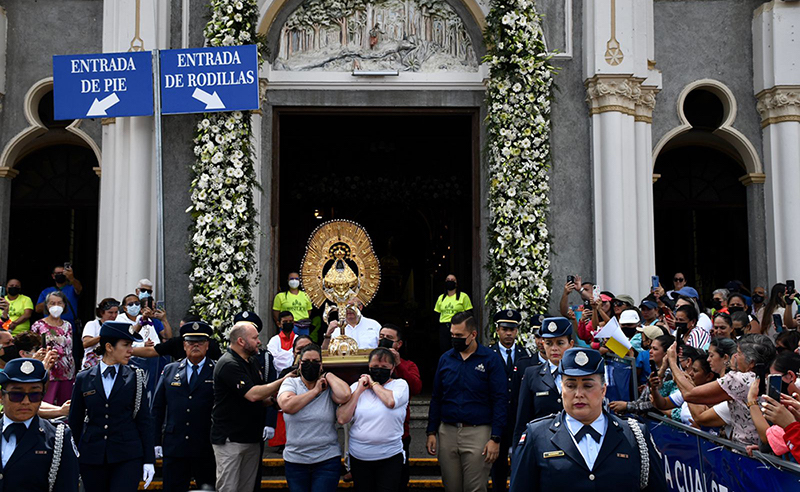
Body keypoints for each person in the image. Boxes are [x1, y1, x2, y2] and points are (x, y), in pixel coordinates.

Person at [509, 348, 668, 492]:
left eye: (588, 386)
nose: (578, 394)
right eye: (570, 386)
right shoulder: (537, 435)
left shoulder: (634, 435)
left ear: (603, 390)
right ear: (562, 390)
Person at [68, 321, 156, 492]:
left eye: (131, 345)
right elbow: (75, 422)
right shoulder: (84, 378)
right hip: (92, 455)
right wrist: (72, 458)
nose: (131, 350)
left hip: (127, 455)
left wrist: (149, 459)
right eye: (126, 345)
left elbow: (144, 420)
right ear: (109, 347)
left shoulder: (135, 377)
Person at [426, 311, 506, 492]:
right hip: (447, 431)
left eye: (459, 336)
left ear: (473, 335)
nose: (455, 339)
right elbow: (437, 397)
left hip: (478, 432)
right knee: (451, 486)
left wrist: (495, 437)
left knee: (475, 488)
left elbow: (500, 399)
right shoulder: (446, 359)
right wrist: (431, 431)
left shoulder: (490, 359)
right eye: (452, 335)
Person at [211, 321, 292, 492]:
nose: (259, 342)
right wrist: (284, 381)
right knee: (229, 488)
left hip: (251, 437)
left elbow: (261, 397)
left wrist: (276, 400)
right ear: (241, 341)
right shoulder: (228, 363)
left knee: (247, 488)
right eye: (255, 338)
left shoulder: (252, 362)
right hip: (230, 440)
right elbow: (253, 394)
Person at [152, 321, 217, 491]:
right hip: (175, 445)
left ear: (208, 345)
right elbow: (157, 408)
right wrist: (155, 440)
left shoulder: (217, 370)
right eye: (190, 342)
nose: (195, 345)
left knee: (208, 488)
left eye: (200, 342)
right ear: (183, 345)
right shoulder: (170, 370)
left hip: (206, 445)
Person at [278, 343, 351, 492]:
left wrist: (328, 375)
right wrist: (315, 391)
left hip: (326, 459)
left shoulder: (328, 385)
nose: (310, 365)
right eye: (306, 362)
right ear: (299, 364)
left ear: (321, 365)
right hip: (296, 460)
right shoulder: (291, 383)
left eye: (315, 362)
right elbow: (287, 406)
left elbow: (345, 395)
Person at [0, 358, 79, 491]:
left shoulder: (57, 438)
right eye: (16, 395)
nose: (26, 402)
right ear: (1, 396)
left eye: (34, 395)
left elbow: (67, 486)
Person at [682, 334, 776, 446]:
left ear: (751, 362)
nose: (735, 356)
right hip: (762, 450)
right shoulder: (773, 377)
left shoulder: (741, 379)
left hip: (745, 451)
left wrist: (672, 363)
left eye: (739, 353)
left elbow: (689, 396)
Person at [337, 347, 410, 492]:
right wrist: (359, 391)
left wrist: (374, 384)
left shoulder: (400, 385)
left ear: (392, 368)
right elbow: (342, 418)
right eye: (375, 367)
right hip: (360, 457)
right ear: (368, 367)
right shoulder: (356, 388)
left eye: (384, 367)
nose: (379, 370)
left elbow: (390, 402)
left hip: (389, 456)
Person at [488, 309, 536, 492]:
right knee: (497, 466)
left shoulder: (525, 356)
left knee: (520, 463)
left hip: (518, 418)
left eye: (512, 329)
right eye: (504, 329)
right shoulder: (489, 354)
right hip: (497, 419)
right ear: (497, 330)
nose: (508, 333)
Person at [514, 317, 574, 445]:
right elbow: (522, 420)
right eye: (549, 343)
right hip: (542, 445)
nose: (554, 348)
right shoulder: (532, 374)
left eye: (560, 343)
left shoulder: (579, 374)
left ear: (571, 344)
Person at [377, 324, 421, 492]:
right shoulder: (369, 363)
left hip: (400, 434)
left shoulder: (408, 365)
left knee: (398, 481)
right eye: (381, 336)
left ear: (399, 344)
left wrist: (397, 364)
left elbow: (416, 388)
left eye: (389, 338)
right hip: (370, 436)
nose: (383, 341)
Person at [30, 291, 74, 405]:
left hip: (67, 372)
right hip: (48, 371)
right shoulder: (38, 325)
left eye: (59, 303)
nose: (56, 306)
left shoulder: (67, 325)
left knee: (65, 405)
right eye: (52, 303)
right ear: (47, 305)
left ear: (64, 305)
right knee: (47, 403)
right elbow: (32, 349)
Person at [434, 274, 473, 353]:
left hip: (458, 326)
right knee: (444, 349)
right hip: (444, 327)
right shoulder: (441, 298)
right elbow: (436, 314)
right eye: (448, 280)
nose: (450, 282)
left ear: (456, 283)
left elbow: (469, 313)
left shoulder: (463, 296)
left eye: (452, 280)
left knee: (458, 349)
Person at [80, 298, 119, 370]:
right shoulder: (92, 324)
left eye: (116, 312)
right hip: (92, 366)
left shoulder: (118, 326)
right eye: (110, 312)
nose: (114, 315)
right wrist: (104, 335)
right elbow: (86, 343)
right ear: (101, 312)